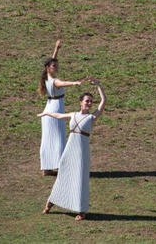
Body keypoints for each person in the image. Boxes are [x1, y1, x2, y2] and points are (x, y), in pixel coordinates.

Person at [40, 80, 106, 221]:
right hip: (70, 149)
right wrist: (46, 114)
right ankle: (50, 203)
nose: (89, 103)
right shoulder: (73, 114)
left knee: (81, 179)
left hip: (82, 152)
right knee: (63, 174)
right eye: (87, 101)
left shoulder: (91, 117)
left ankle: (81, 211)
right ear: (80, 102)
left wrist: (98, 85)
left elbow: (103, 102)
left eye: (90, 102)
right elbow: (58, 115)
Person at [38, 40, 86, 175]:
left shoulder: (46, 77)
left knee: (48, 139)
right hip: (55, 110)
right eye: (54, 66)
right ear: (48, 68)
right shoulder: (54, 81)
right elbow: (62, 83)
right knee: (59, 138)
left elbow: (52, 61)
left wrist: (56, 49)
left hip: (49, 109)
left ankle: (47, 168)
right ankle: (60, 166)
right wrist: (75, 83)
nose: (56, 67)